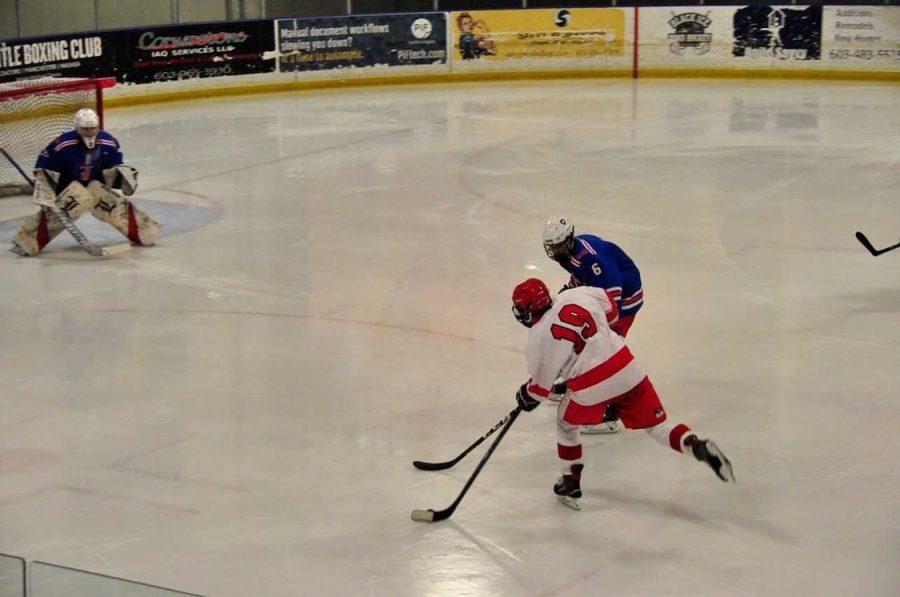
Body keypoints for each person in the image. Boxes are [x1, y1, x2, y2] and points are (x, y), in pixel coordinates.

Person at [511, 278, 734, 511]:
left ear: (526, 311)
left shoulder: (537, 338)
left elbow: (538, 391)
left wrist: (524, 395)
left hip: (591, 386)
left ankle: (570, 482)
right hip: (626, 367)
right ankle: (695, 444)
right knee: (658, 427)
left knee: (566, 423)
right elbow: (610, 304)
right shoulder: (575, 295)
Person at [10, 108, 159, 256]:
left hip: (94, 185)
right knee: (58, 213)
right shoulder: (62, 144)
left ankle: (143, 231)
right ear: (77, 128)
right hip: (67, 188)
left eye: (92, 128)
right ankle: (26, 241)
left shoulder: (108, 142)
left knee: (114, 204)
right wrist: (45, 189)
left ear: (98, 126)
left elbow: (115, 163)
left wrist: (121, 174)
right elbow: (45, 165)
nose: (89, 132)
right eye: (85, 129)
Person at [542, 216, 644, 434]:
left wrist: (607, 329)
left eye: (559, 245)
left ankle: (611, 412)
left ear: (569, 239)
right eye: (553, 246)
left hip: (625, 300)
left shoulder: (591, 258)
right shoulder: (571, 253)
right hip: (609, 296)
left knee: (605, 354)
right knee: (586, 345)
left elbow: (613, 290)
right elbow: (581, 277)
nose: (556, 250)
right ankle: (578, 386)